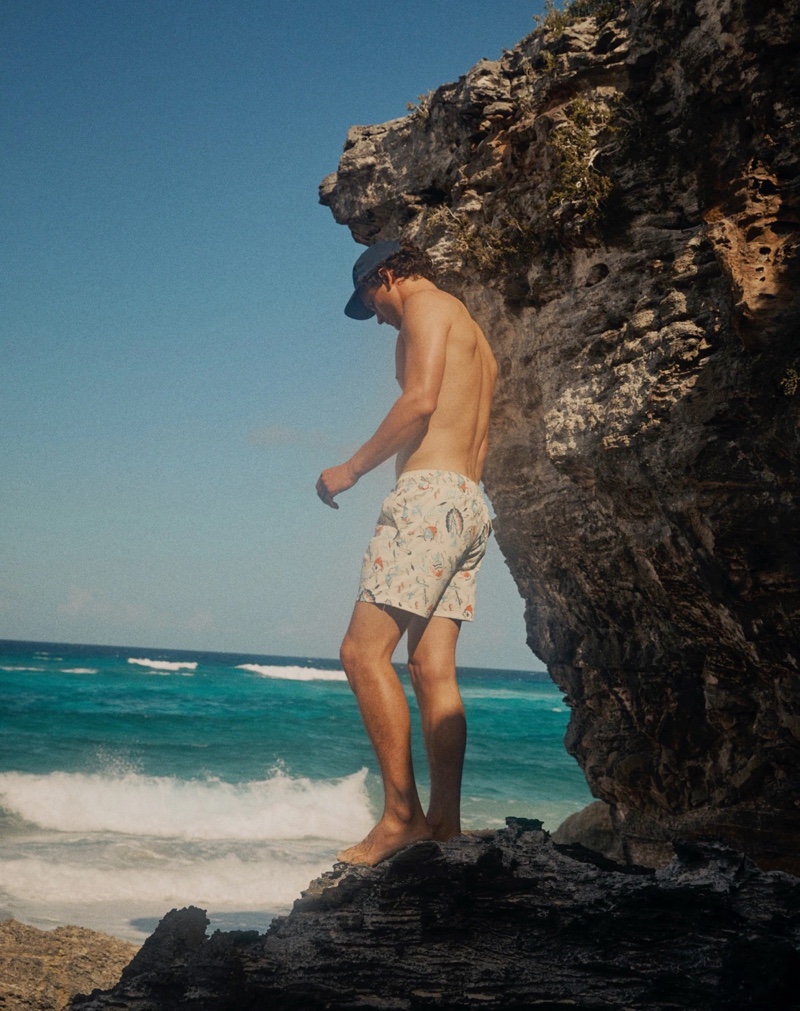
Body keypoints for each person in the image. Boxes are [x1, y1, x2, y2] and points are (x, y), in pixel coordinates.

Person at [316, 240, 497, 866]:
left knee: (361, 653)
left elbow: (420, 401)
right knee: (430, 667)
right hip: (470, 502)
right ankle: (444, 824)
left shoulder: (425, 308)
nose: (381, 322)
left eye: (375, 307)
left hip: (427, 499)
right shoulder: (471, 328)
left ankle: (400, 818)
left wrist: (351, 469)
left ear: (386, 277)